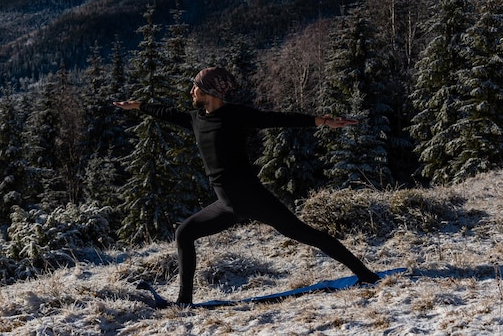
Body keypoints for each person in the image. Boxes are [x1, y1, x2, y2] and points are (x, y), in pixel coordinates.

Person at [114, 67, 380, 306]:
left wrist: (322, 121)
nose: (191, 91)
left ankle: (366, 275)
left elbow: (277, 119)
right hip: (226, 204)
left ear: (209, 91)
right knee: (184, 233)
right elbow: (168, 114)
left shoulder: (237, 116)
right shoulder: (196, 119)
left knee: (307, 234)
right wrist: (138, 106)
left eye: (195, 86)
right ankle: (184, 302)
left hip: (250, 197)